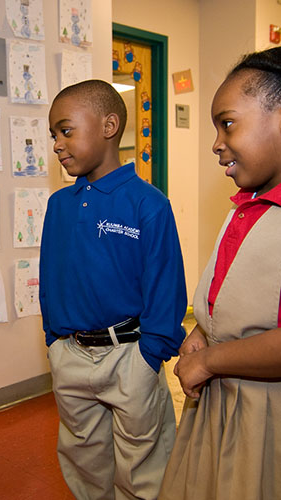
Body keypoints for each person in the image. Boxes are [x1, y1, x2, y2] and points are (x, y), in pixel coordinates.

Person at [39, 79, 187, 500]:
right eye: (53, 135)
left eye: (66, 130)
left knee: (142, 466)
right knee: (84, 460)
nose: (57, 144)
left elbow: (165, 286)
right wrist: (53, 342)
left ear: (108, 126)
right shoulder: (59, 205)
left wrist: (150, 354)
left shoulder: (148, 203)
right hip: (70, 355)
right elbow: (49, 278)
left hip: (130, 357)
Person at [158, 46, 281, 500]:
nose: (215, 142)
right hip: (220, 409)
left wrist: (208, 361)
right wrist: (204, 333)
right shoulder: (243, 209)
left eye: (227, 123)